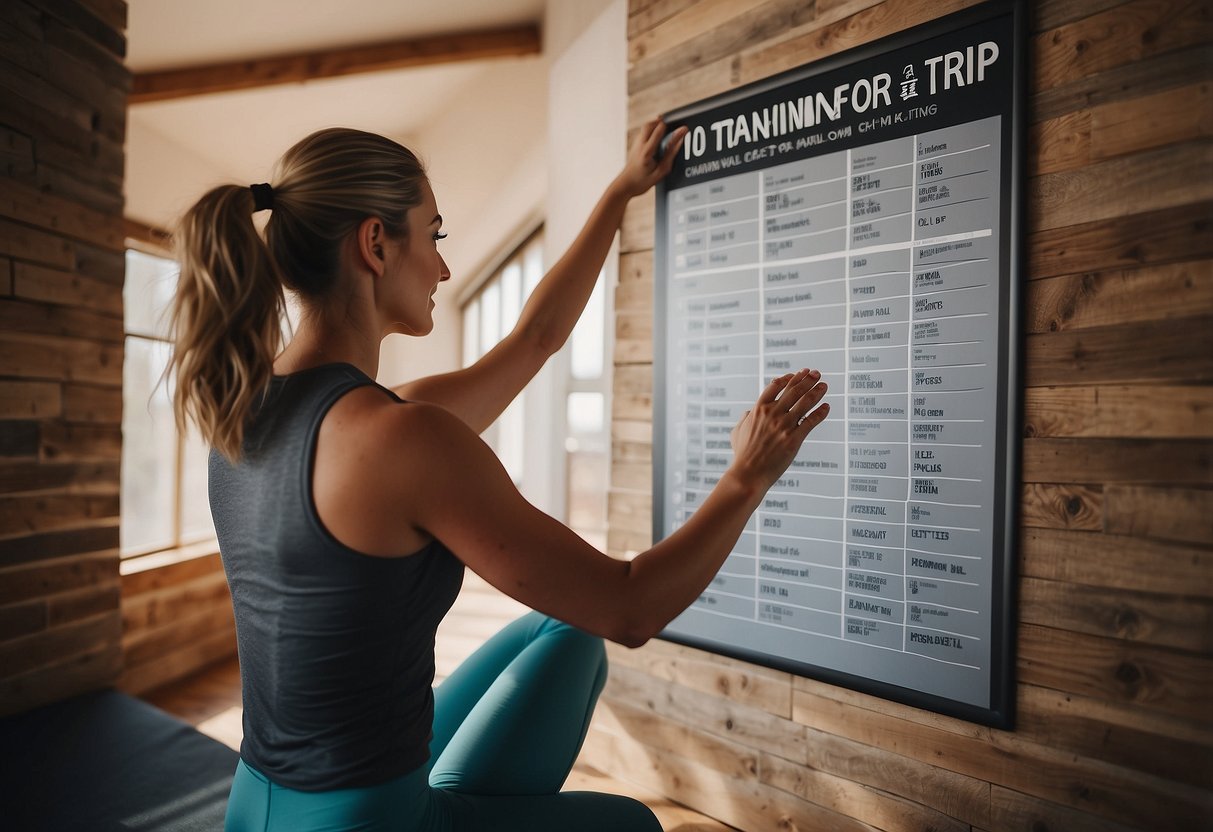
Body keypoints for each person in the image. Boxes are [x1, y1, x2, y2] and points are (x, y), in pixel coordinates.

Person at [169, 119, 830, 832]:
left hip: (256, 806)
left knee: (562, 634)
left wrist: (620, 192)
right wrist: (747, 476)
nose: (444, 269)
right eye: (436, 235)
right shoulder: (403, 436)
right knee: (630, 825)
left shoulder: (249, 410)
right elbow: (629, 608)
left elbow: (534, 341)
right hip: (366, 821)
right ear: (375, 244)